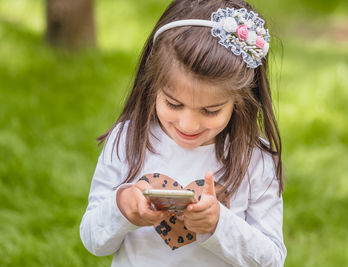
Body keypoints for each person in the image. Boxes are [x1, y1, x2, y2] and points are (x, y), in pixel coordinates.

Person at [80, 0, 286, 266]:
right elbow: (93, 241)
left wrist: (218, 225)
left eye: (211, 110)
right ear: (152, 86)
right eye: (173, 104)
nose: (188, 125)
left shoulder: (255, 160)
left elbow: (272, 260)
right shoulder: (128, 139)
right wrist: (121, 209)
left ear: (240, 100)